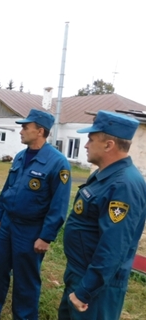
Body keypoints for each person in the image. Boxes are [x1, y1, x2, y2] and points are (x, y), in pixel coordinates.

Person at [0, 108, 72, 320]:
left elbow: (59, 205)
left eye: (25, 127)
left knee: (26, 278)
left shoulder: (58, 163)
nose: (21, 131)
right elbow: (9, 187)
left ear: (40, 131)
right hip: (8, 223)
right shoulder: (20, 156)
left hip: (31, 229)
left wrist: (46, 236)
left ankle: (24, 317)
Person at [58, 110, 146, 320]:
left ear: (109, 145)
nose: (86, 145)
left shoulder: (124, 184)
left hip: (97, 285)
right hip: (81, 273)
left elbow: (114, 246)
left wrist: (86, 291)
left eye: (91, 139)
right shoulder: (104, 175)